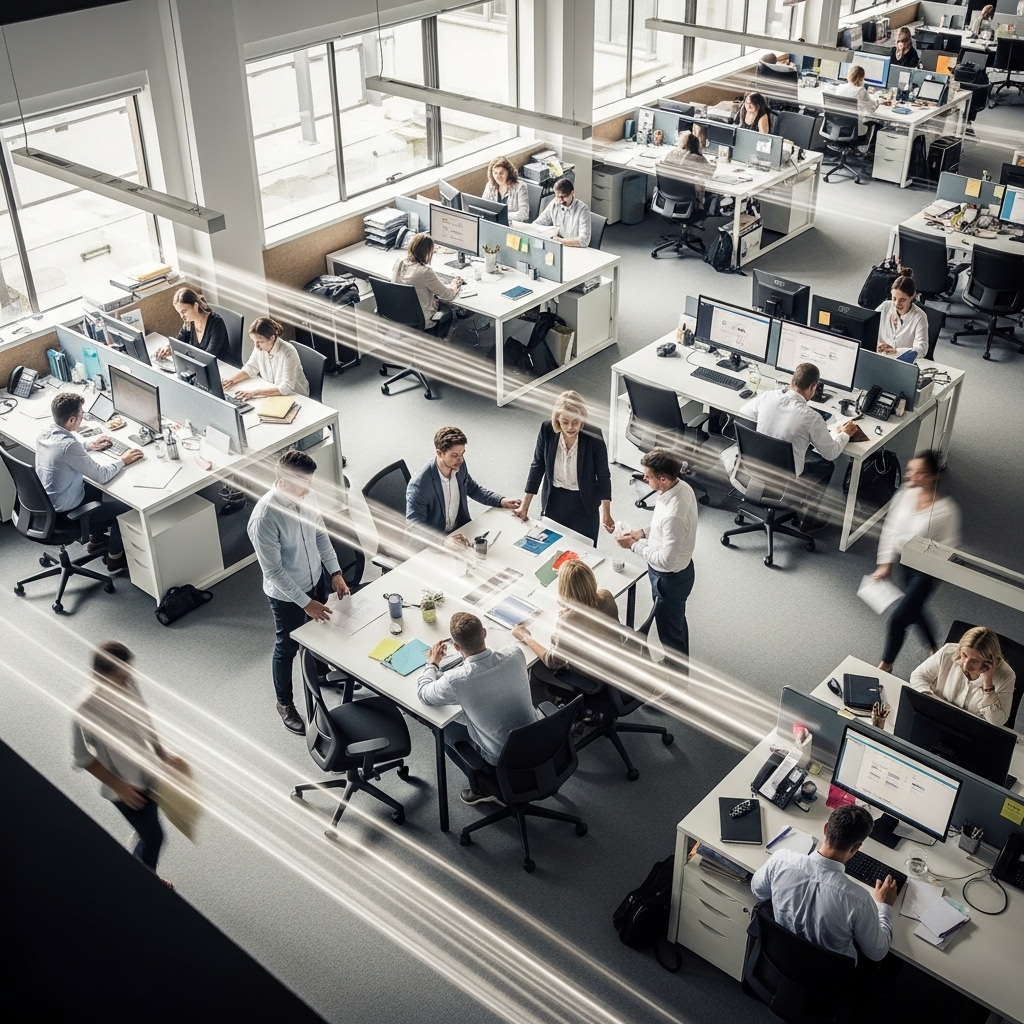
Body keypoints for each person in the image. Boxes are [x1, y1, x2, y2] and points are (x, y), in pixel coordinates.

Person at [248, 449, 350, 735]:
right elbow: (274, 572)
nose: (310, 488)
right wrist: (306, 604)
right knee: (286, 647)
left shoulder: (307, 495)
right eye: (304, 483)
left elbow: (319, 535)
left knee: (318, 633)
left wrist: (335, 572)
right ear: (283, 482)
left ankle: (319, 673)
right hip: (286, 595)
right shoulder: (265, 517)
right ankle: (284, 703)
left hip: (314, 578)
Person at [72, 641, 187, 879]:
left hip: (146, 771)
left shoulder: (129, 683)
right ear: (100, 676)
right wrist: (119, 786)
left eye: (128, 676)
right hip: (124, 788)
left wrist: (161, 752)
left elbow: (144, 718)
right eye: (121, 678)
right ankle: (147, 876)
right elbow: (82, 758)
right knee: (155, 838)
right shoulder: (85, 708)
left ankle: (140, 839)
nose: (128, 682)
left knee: (151, 823)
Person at [417, 611, 540, 805]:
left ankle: (483, 788)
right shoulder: (515, 654)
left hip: (499, 757)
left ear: (456, 646)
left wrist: (432, 663)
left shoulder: (456, 680)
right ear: (484, 633)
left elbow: (424, 694)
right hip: (540, 742)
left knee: (441, 727)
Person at [750, 805, 896, 964]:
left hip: (779, 955)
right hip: (825, 974)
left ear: (826, 829)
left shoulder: (781, 860)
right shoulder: (858, 900)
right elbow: (877, 952)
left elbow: (758, 890)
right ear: (856, 847)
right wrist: (884, 906)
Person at [740, 363, 860, 531]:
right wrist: (844, 434)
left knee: (806, 452)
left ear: (792, 381)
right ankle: (807, 520)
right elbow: (831, 453)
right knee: (826, 465)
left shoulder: (768, 396)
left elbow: (744, 413)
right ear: (813, 387)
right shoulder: (812, 417)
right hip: (785, 479)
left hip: (755, 467)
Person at [35, 392, 144, 573]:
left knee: (91, 487)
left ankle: (96, 541)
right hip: (65, 513)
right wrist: (123, 460)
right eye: (81, 414)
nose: (83, 416)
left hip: (45, 505)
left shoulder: (45, 433)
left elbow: (66, 452)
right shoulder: (68, 446)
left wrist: (89, 445)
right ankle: (115, 558)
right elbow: (101, 475)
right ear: (71, 420)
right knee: (126, 510)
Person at [874, 451, 961, 672]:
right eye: (911, 470)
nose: (912, 476)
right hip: (905, 562)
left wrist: (930, 559)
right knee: (916, 608)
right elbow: (891, 528)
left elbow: (950, 549)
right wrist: (885, 563)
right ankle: (934, 648)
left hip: (926, 571)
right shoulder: (904, 495)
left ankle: (886, 665)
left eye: (919, 472)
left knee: (899, 618)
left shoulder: (947, 510)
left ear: (932, 476)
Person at [616, 449, 697, 660]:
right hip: (677, 573)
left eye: (648, 476)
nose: (644, 478)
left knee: (670, 636)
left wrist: (633, 546)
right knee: (676, 625)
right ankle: (677, 669)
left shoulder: (674, 515)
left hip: (669, 579)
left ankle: (677, 682)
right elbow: (659, 527)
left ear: (662, 479)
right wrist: (640, 533)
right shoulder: (679, 487)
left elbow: (666, 561)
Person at [514, 390, 613, 544]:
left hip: (584, 502)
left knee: (583, 551)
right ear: (557, 419)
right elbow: (538, 465)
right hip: (554, 499)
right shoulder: (547, 429)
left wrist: (605, 513)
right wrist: (525, 505)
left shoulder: (594, 436)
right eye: (565, 422)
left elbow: (603, 475)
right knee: (550, 546)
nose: (570, 427)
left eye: (575, 421)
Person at [512, 560, 619, 688]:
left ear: (564, 590)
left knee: (535, 669)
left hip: (592, 677)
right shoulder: (606, 596)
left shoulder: (568, 621)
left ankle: (559, 702)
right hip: (613, 666)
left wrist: (526, 637)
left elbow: (552, 662)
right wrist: (570, 607)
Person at [406, 425, 520, 546]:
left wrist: (501, 501)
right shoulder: (420, 485)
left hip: (461, 532)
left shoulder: (458, 464)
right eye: (454, 455)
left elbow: (473, 489)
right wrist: (443, 542)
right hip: (434, 543)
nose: (460, 459)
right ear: (439, 453)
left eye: (462, 454)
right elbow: (414, 529)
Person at [910, 626, 1016, 727]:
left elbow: (997, 721)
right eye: (964, 655)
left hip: (970, 730)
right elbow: (918, 676)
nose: (966, 665)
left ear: (988, 662)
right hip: (935, 717)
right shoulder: (948, 651)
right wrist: (931, 701)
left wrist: (988, 684)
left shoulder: (1006, 676)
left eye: (974, 661)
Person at [391, 232, 461, 339]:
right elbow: (448, 295)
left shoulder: (399, 262)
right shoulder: (425, 272)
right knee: (449, 310)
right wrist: (455, 284)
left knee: (435, 298)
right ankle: (441, 345)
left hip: (400, 315)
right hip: (421, 320)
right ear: (428, 252)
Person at [221, 316, 309, 399]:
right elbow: (251, 367)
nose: (256, 345)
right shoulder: (259, 348)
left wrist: (255, 392)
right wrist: (231, 381)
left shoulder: (288, 352)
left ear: (272, 337)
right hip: (273, 391)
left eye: (260, 342)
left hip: (296, 395)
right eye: (254, 341)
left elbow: (286, 387)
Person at [155, 287, 229, 361]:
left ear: (195, 306)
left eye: (184, 311)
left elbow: (208, 356)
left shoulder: (216, 323)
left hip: (222, 367)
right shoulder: (189, 322)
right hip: (200, 366)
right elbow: (180, 341)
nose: (181, 316)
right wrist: (169, 348)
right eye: (179, 313)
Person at [875, 275, 928, 360]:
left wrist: (896, 351)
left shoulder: (920, 317)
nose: (896, 304)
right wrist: (876, 345)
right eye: (894, 298)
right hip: (879, 357)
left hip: (903, 361)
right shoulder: (885, 307)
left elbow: (922, 349)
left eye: (902, 300)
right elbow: (868, 328)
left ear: (912, 296)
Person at [531, 177, 592, 248]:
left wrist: (559, 240)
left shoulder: (583, 210)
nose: (560, 201)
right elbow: (537, 224)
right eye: (558, 197)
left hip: (575, 248)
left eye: (563, 197)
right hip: (558, 246)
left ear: (572, 193)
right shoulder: (554, 203)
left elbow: (584, 240)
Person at [482, 156, 530, 223]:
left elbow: (524, 214)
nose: (498, 176)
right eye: (495, 173)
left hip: (514, 225)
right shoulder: (490, 185)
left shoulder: (520, 187)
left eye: (501, 173)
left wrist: (502, 216)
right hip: (495, 223)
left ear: (509, 173)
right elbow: (483, 207)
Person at [835, 64, 879, 137]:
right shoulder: (860, 90)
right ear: (862, 78)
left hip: (837, 127)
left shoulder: (840, 87)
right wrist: (877, 100)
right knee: (877, 124)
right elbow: (871, 109)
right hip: (854, 129)